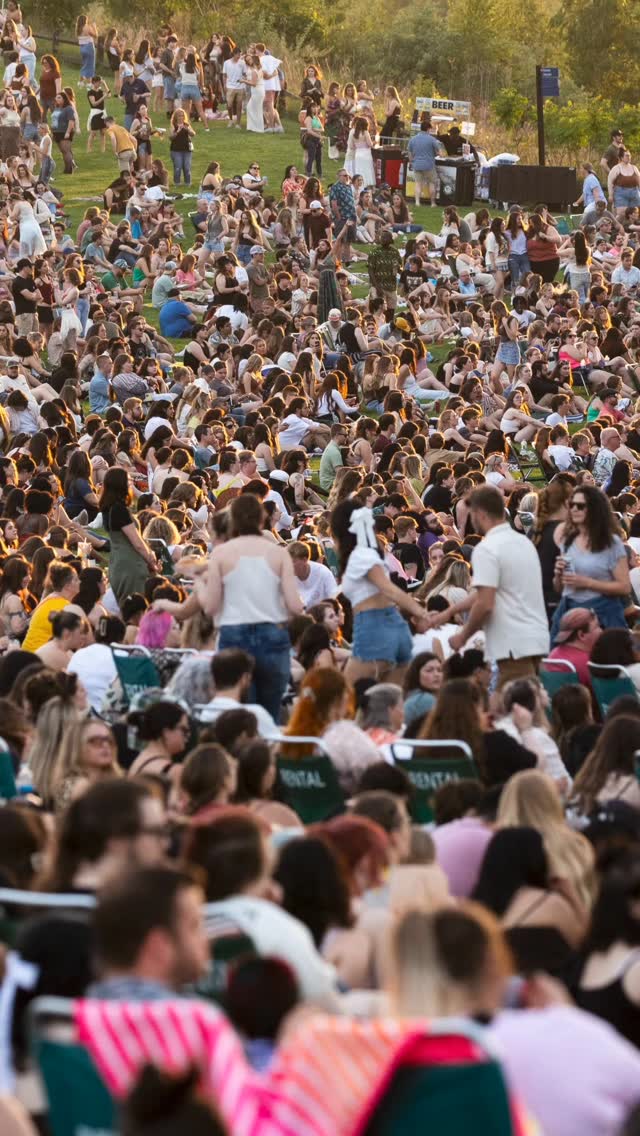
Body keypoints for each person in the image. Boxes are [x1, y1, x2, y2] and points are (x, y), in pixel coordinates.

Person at [198, 494, 303, 721]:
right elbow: (296, 605)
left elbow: (210, 606)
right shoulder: (278, 553)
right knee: (271, 712)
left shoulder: (221, 554)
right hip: (272, 632)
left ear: (233, 520)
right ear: (261, 518)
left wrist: (199, 586)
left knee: (239, 714)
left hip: (234, 633)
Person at [445, 486, 550, 687]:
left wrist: (463, 636)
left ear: (481, 514)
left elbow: (485, 603)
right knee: (525, 704)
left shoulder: (486, 549)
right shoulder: (523, 542)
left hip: (512, 644)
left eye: (472, 513)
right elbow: (492, 591)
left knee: (516, 707)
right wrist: (449, 611)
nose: (470, 519)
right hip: (535, 637)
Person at [551, 484, 630, 640]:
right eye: (571, 504)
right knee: (559, 661)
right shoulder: (568, 540)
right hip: (569, 610)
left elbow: (624, 587)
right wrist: (558, 574)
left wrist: (587, 583)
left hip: (601, 614)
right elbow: (560, 589)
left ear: (594, 509)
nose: (573, 509)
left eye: (580, 506)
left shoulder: (610, 543)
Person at [99, 467, 159, 608]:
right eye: (128, 479)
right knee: (137, 610)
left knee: (126, 609)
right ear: (120, 484)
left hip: (117, 564)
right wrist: (151, 559)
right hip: (131, 565)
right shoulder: (119, 509)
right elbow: (137, 542)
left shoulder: (108, 508)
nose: (130, 482)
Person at [407, 121, 444, 207]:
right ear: (428, 129)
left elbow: (409, 152)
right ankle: (432, 203)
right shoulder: (432, 139)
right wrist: (438, 154)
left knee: (418, 183)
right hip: (429, 165)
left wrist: (411, 161)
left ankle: (417, 202)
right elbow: (441, 153)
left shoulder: (413, 139)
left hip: (417, 164)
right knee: (432, 183)